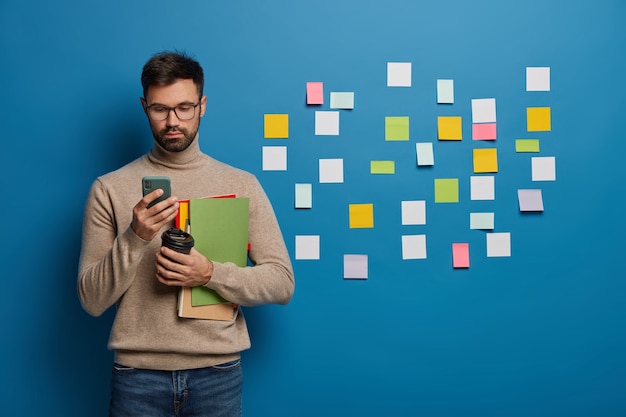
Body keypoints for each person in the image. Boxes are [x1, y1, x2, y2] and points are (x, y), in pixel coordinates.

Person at [77, 51, 295, 417]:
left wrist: (210, 274)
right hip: (137, 376)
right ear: (145, 106)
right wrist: (135, 237)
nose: (172, 121)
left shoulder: (242, 184)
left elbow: (281, 282)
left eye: (184, 108)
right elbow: (91, 300)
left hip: (218, 373)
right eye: (160, 109)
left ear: (202, 105)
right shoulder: (109, 188)